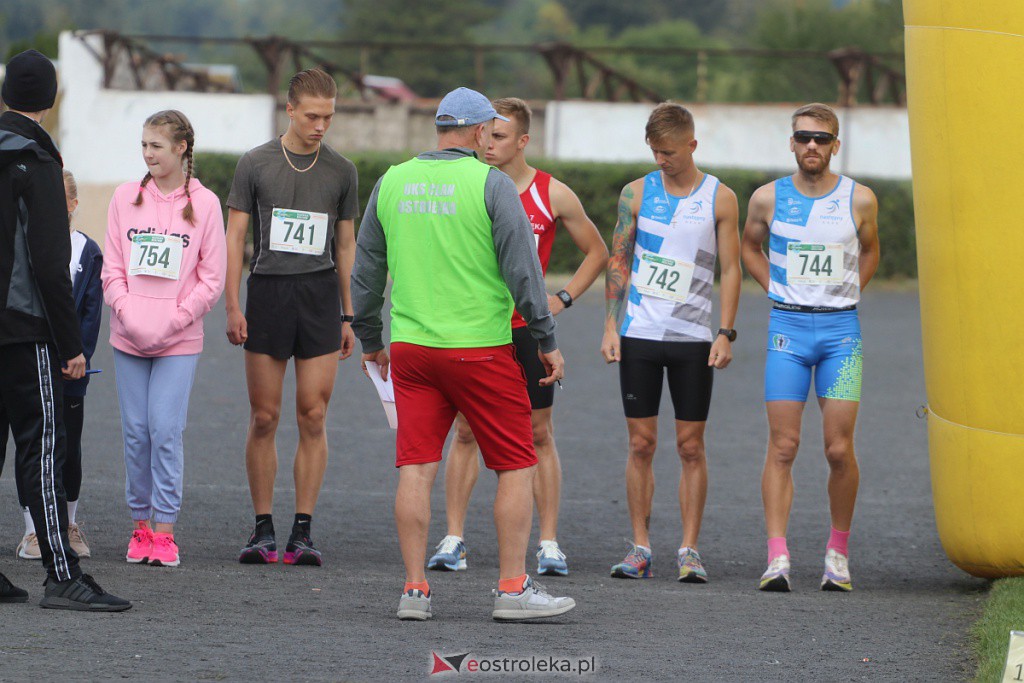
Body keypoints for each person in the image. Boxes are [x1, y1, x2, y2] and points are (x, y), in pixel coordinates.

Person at [352, 87, 576, 622]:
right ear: (478, 131)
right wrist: (545, 340)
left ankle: (414, 591)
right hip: (480, 349)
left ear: (439, 127)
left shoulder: (392, 180)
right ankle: (512, 589)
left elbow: (366, 272)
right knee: (516, 465)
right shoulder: (491, 183)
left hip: (412, 349)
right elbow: (524, 274)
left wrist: (370, 340)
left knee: (415, 467)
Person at [428, 97, 608, 577]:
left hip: (525, 331)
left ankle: (548, 543)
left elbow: (597, 251)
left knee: (539, 433)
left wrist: (562, 299)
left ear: (523, 140)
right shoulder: (469, 184)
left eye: (500, 136)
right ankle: (454, 538)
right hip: (475, 329)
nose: (489, 143)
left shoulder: (553, 193)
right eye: (487, 134)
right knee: (465, 431)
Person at [0, 48, 130, 610]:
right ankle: (61, 573)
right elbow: (51, 264)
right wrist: (70, 344)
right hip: (26, 328)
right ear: (50, 101)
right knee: (43, 448)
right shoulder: (39, 161)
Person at [740, 103, 880, 592]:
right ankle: (777, 556)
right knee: (783, 445)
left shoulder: (860, 199)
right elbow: (749, 247)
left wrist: (849, 291)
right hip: (788, 331)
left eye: (821, 138)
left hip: (842, 334)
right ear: (792, 144)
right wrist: (775, 288)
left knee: (838, 449)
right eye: (804, 137)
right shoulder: (766, 198)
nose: (812, 146)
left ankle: (837, 553)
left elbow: (871, 249)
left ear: (835, 145)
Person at [600, 103, 741, 583]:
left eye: (669, 152)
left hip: (693, 339)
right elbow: (619, 261)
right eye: (655, 151)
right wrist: (610, 327)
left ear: (692, 145)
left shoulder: (721, 198)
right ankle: (640, 546)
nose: (661, 159)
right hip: (640, 334)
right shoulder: (636, 193)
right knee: (640, 443)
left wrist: (725, 332)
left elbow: (732, 269)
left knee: (690, 446)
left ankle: (689, 549)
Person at [225, 68, 359, 567]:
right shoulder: (255, 163)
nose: (321, 125)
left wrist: (349, 314)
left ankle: (302, 530)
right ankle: (262, 527)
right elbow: (235, 238)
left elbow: (345, 245)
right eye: (312, 116)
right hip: (268, 294)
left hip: (320, 297)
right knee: (264, 416)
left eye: (329, 117)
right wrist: (232, 304)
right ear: (290, 110)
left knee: (313, 414)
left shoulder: (342, 170)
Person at [102, 109, 227, 568]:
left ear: (181, 148)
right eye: (143, 145)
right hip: (128, 337)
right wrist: (128, 312)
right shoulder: (124, 197)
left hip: (177, 340)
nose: (148, 154)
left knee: (165, 431)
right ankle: (140, 526)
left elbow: (211, 280)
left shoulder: (206, 204)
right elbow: (112, 268)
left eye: (156, 145)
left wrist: (175, 319)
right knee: (136, 433)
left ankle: (165, 531)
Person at [14, 168, 103, 561]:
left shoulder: (87, 251)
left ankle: (68, 524)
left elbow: (90, 312)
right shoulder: (23, 243)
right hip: (29, 362)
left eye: (58, 197)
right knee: (31, 446)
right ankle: (33, 531)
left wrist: (76, 353)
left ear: (72, 204)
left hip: (71, 369)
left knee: (68, 449)